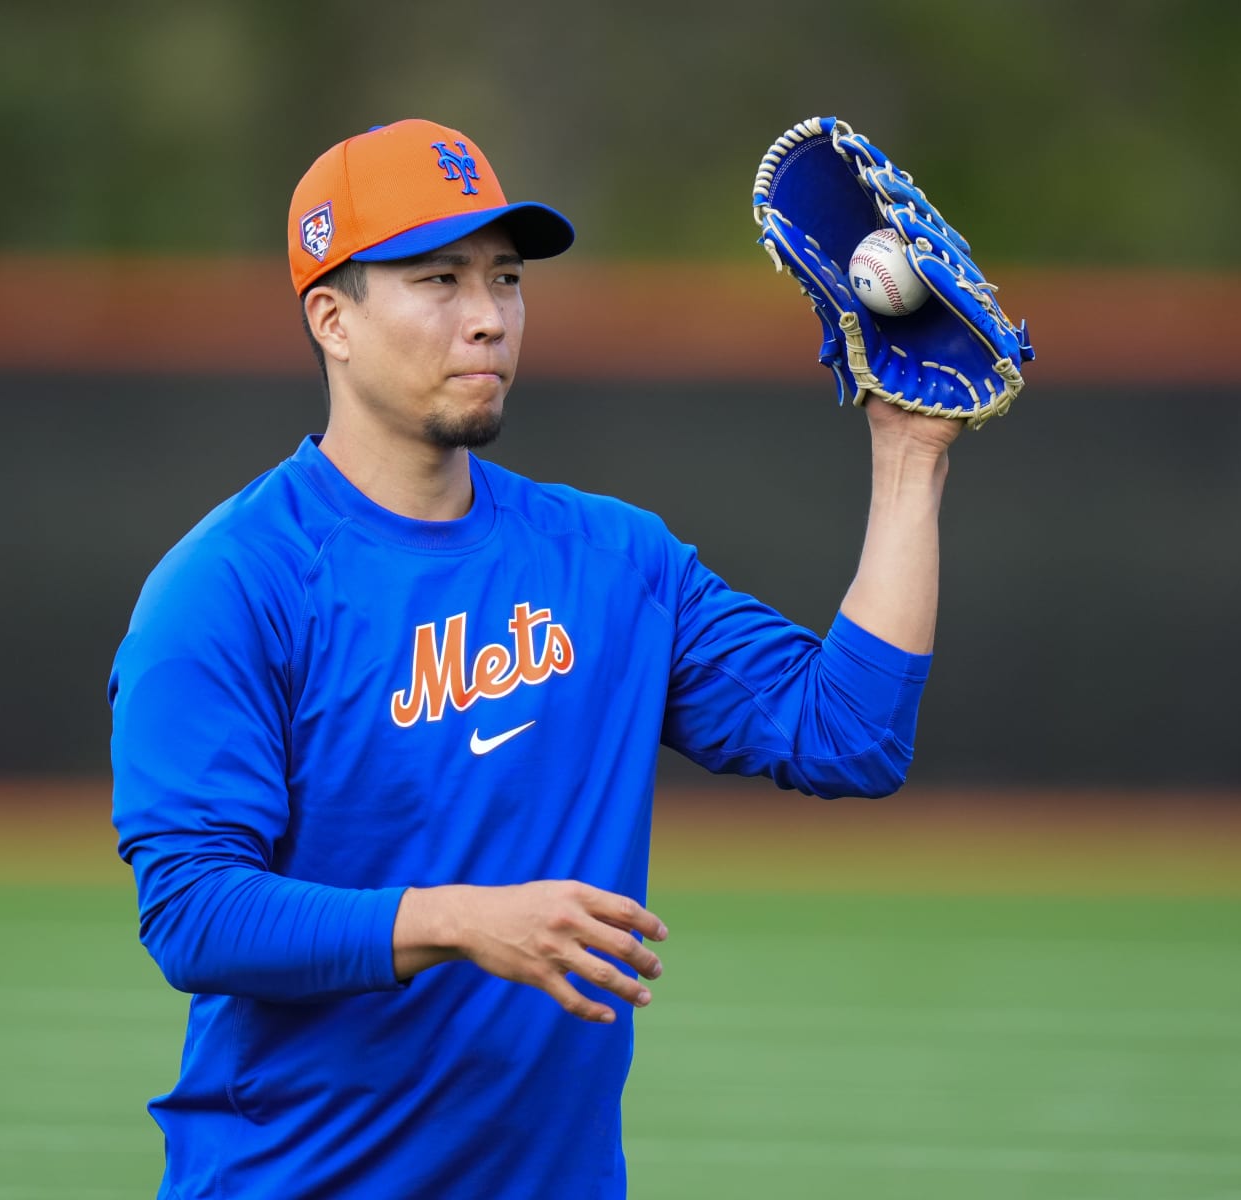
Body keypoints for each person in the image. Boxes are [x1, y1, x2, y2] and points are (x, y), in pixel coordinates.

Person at [108, 118, 958, 1199]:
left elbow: (850, 735)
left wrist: (908, 456)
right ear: (333, 317)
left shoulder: (611, 560)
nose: (487, 318)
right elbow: (194, 912)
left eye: (505, 279)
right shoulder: (231, 585)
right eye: (438, 280)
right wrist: (464, 919)